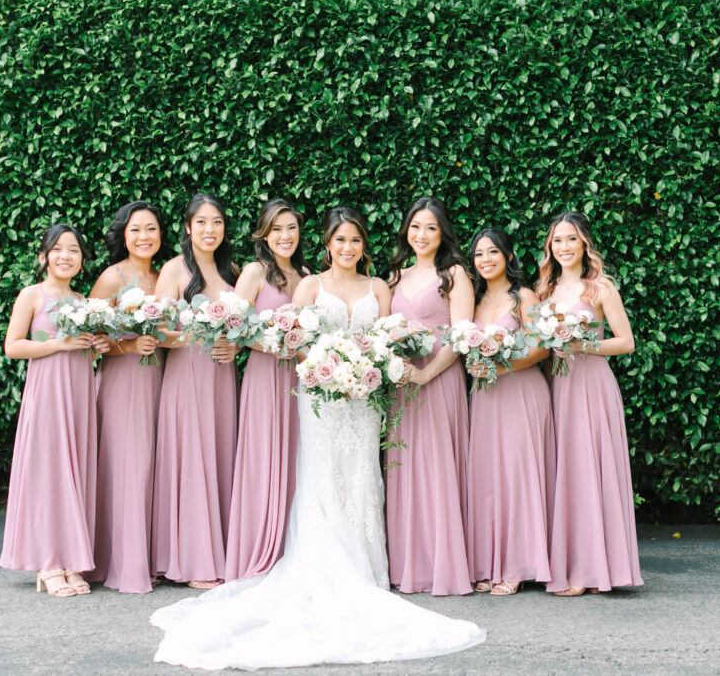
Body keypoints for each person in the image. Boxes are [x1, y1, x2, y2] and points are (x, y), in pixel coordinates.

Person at [150, 206, 486, 669]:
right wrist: (327, 360)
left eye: (355, 240)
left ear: (364, 245)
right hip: (319, 393)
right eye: (339, 240)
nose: (347, 248)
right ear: (327, 244)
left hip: (362, 397)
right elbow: (293, 335)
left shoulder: (379, 289)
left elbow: (387, 337)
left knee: (362, 479)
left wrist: (366, 365)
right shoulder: (310, 284)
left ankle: (367, 570)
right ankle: (320, 564)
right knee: (320, 478)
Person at [0, 224, 109, 597]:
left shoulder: (85, 303)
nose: (66, 256)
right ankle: (48, 562)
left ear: (82, 259)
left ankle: (72, 558)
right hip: (47, 395)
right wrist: (60, 345)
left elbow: (87, 351)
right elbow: (13, 347)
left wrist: (96, 345)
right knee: (48, 474)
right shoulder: (32, 294)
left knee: (75, 473)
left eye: (74, 250)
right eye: (58, 249)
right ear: (43, 256)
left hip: (78, 395)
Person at [537, 211, 642, 596]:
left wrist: (585, 345)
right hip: (560, 389)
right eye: (557, 240)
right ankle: (580, 566)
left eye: (571, 239)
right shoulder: (544, 292)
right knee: (569, 475)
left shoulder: (599, 289)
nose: (564, 247)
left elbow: (626, 342)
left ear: (584, 245)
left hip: (593, 387)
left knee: (591, 472)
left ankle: (593, 571)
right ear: (550, 246)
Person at [384, 196, 473, 595]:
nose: (422, 235)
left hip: (439, 379)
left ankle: (442, 565)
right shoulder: (394, 276)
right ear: (406, 229)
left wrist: (426, 375)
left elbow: (462, 335)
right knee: (403, 465)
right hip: (402, 382)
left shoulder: (454, 274)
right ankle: (408, 565)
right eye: (416, 227)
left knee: (437, 465)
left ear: (443, 233)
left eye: (431, 228)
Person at [151, 193, 240, 589]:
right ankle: (192, 560)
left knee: (220, 454)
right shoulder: (173, 269)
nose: (210, 230)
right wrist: (191, 335)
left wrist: (235, 343)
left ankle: (221, 552)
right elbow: (153, 328)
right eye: (201, 222)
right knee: (190, 457)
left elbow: (246, 325)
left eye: (217, 222)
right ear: (187, 228)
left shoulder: (233, 271)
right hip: (186, 375)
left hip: (221, 377)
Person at [465, 227, 554, 595]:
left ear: (508, 256)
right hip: (486, 398)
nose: (485, 260)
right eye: (479, 254)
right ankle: (488, 561)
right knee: (487, 478)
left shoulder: (525, 297)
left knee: (518, 475)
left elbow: (542, 348)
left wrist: (500, 367)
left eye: (493, 252)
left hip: (521, 391)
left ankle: (518, 564)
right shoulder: (473, 301)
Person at [86, 201, 169, 594]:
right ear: (123, 234)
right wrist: (130, 346)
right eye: (136, 230)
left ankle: (152, 557)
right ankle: (123, 562)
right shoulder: (110, 278)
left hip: (159, 379)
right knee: (128, 467)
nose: (144, 237)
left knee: (153, 467)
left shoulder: (165, 276)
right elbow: (91, 341)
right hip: (122, 382)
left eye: (151, 229)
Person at [225, 199, 309, 581]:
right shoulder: (255, 272)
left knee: (299, 457)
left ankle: (294, 548)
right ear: (264, 234)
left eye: (290, 228)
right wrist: (277, 344)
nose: (285, 236)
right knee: (264, 455)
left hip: (302, 376)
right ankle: (259, 548)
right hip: (265, 375)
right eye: (276, 229)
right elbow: (234, 328)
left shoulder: (308, 275)